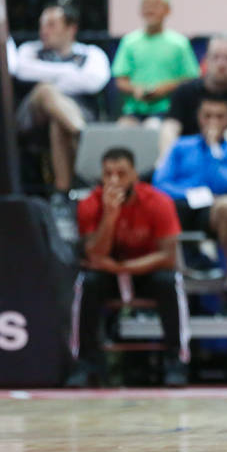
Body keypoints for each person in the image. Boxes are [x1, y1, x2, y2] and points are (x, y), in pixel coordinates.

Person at [68, 147, 189, 387]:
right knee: (86, 283)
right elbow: (95, 253)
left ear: (134, 174)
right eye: (108, 174)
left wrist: (122, 267)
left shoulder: (159, 202)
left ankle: (176, 360)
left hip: (144, 270)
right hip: (106, 271)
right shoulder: (90, 204)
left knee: (170, 282)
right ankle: (85, 363)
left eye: (121, 173)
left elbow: (167, 257)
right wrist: (110, 215)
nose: (114, 180)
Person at [153, 97, 227, 305]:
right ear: (199, 118)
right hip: (178, 208)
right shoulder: (180, 146)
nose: (212, 122)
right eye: (207, 116)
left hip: (211, 213)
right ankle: (161, 287)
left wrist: (214, 152)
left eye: (219, 116)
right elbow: (160, 183)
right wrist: (191, 194)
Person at [11, 5, 110, 200]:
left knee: (59, 122)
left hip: (76, 112)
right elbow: (21, 70)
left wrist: (48, 74)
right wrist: (71, 72)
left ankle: (63, 194)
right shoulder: (28, 50)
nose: (43, 31)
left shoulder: (91, 53)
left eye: (51, 25)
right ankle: (84, 138)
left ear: (71, 28)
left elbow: (93, 82)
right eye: (42, 25)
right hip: (32, 118)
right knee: (46, 90)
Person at [159, 34, 227, 160]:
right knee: (166, 131)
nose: (222, 64)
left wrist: (226, 136)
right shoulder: (184, 91)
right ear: (206, 60)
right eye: (216, 57)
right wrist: (165, 161)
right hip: (188, 157)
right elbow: (171, 125)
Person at [112, 0, 200, 126]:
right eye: (146, 4)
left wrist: (163, 89)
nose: (150, 9)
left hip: (167, 111)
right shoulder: (129, 42)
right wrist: (136, 89)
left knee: (153, 128)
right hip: (134, 110)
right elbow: (120, 80)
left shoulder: (180, 43)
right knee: (122, 129)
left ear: (167, 10)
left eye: (156, 4)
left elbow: (190, 79)